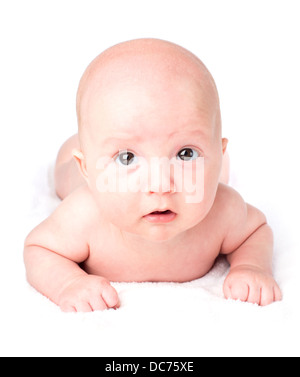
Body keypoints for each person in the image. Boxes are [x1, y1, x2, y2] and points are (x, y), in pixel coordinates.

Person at [24, 38, 281, 312]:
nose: (160, 185)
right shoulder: (84, 215)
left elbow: (256, 231)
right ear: (87, 168)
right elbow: (39, 249)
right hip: (82, 180)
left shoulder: (223, 211)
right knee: (65, 175)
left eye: (185, 154)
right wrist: (68, 283)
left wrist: (251, 265)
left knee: (209, 180)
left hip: (203, 174)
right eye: (127, 157)